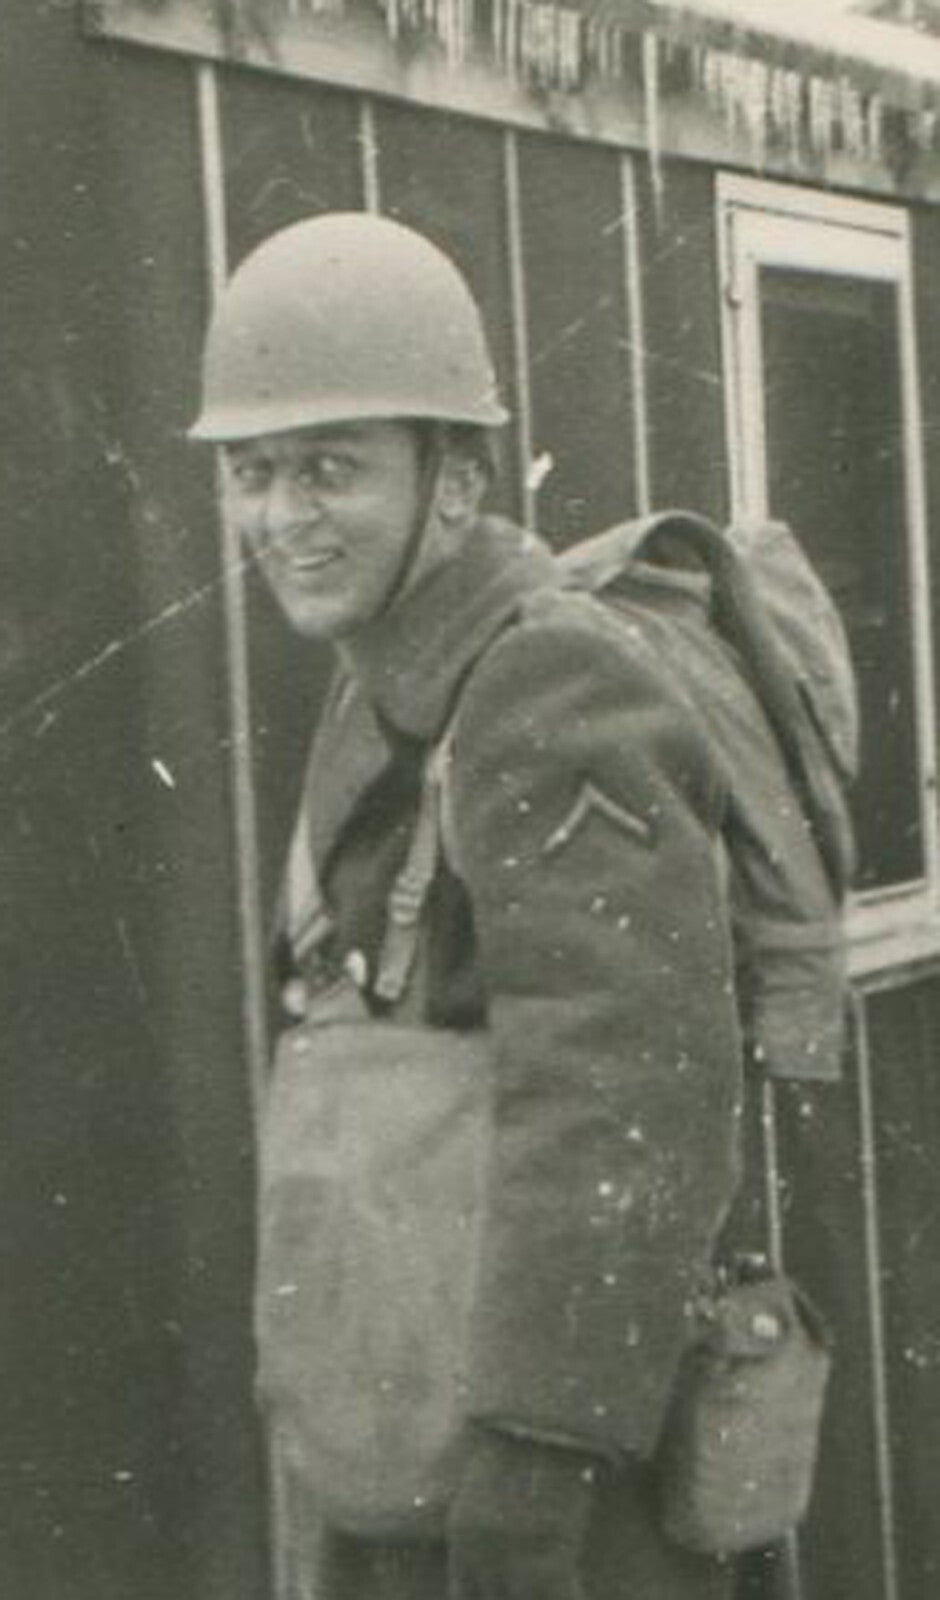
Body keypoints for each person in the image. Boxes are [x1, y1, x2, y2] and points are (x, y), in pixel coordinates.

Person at [190, 212, 743, 1600]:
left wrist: (533, 1470)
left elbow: (624, 1092)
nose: (281, 518)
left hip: (536, 1484)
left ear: (455, 478)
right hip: (412, 1426)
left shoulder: (546, 678)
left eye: (330, 470)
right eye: (253, 474)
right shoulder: (390, 665)